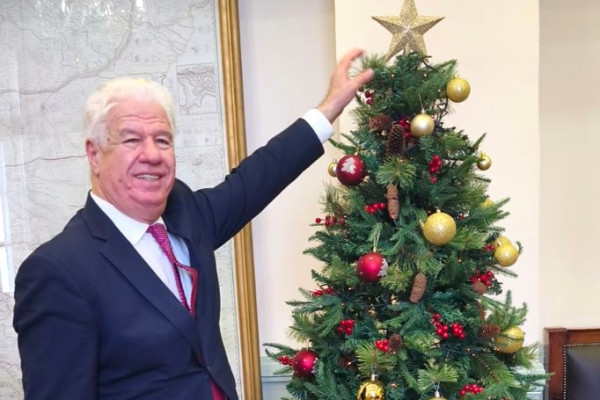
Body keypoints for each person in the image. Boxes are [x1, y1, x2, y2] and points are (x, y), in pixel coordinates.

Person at [12, 48, 374, 400]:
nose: (152, 154)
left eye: (162, 140)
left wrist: (327, 110)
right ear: (94, 154)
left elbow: (256, 178)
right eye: (132, 140)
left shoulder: (185, 214)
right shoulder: (58, 270)